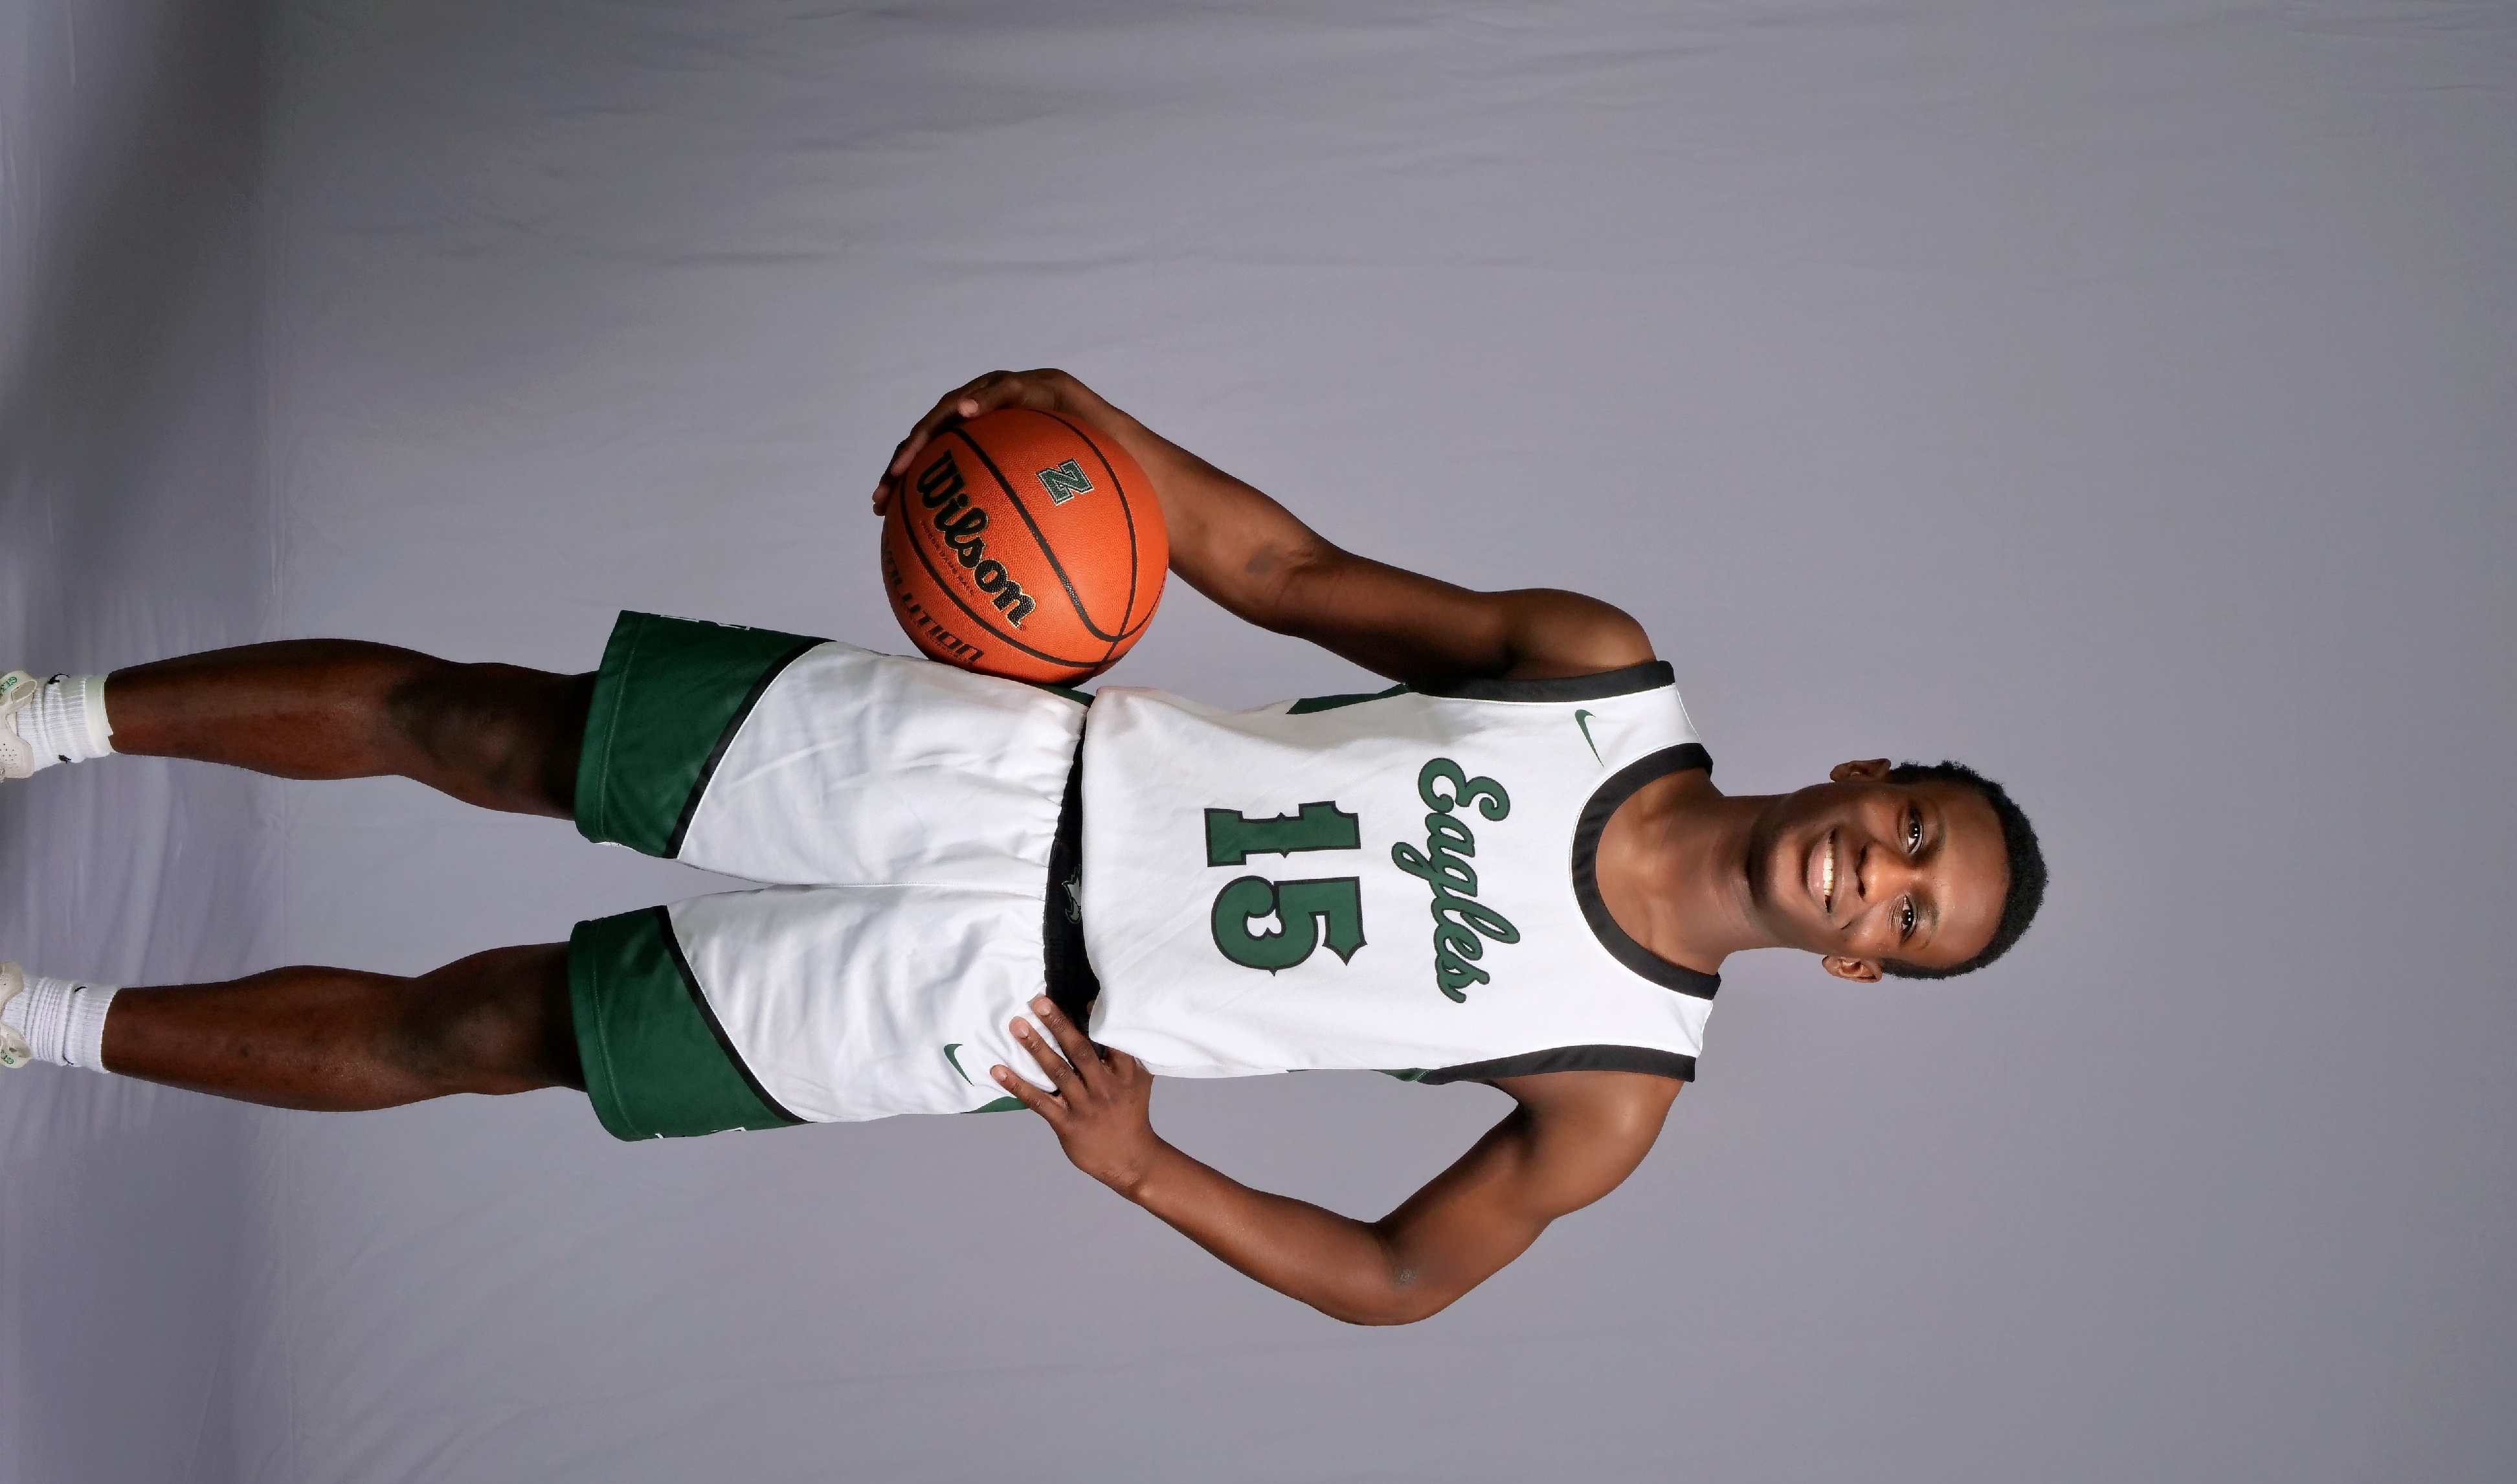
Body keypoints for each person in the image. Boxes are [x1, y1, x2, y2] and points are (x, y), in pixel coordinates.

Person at [0, 369, 2044, 1324]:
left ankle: (36, 1022)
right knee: (489, 727)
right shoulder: (1594, 674)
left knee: (484, 1036)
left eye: (1909, 912)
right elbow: (1289, 574)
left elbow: (1405, 1274)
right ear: (1869, 773)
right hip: (998, 770)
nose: (1877, 873)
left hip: (1000, 1012)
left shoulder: (1618, 1089)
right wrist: (1078, 432)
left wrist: (1148, 1169)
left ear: (1868, 966)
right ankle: (39, 719)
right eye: (1911, 831)